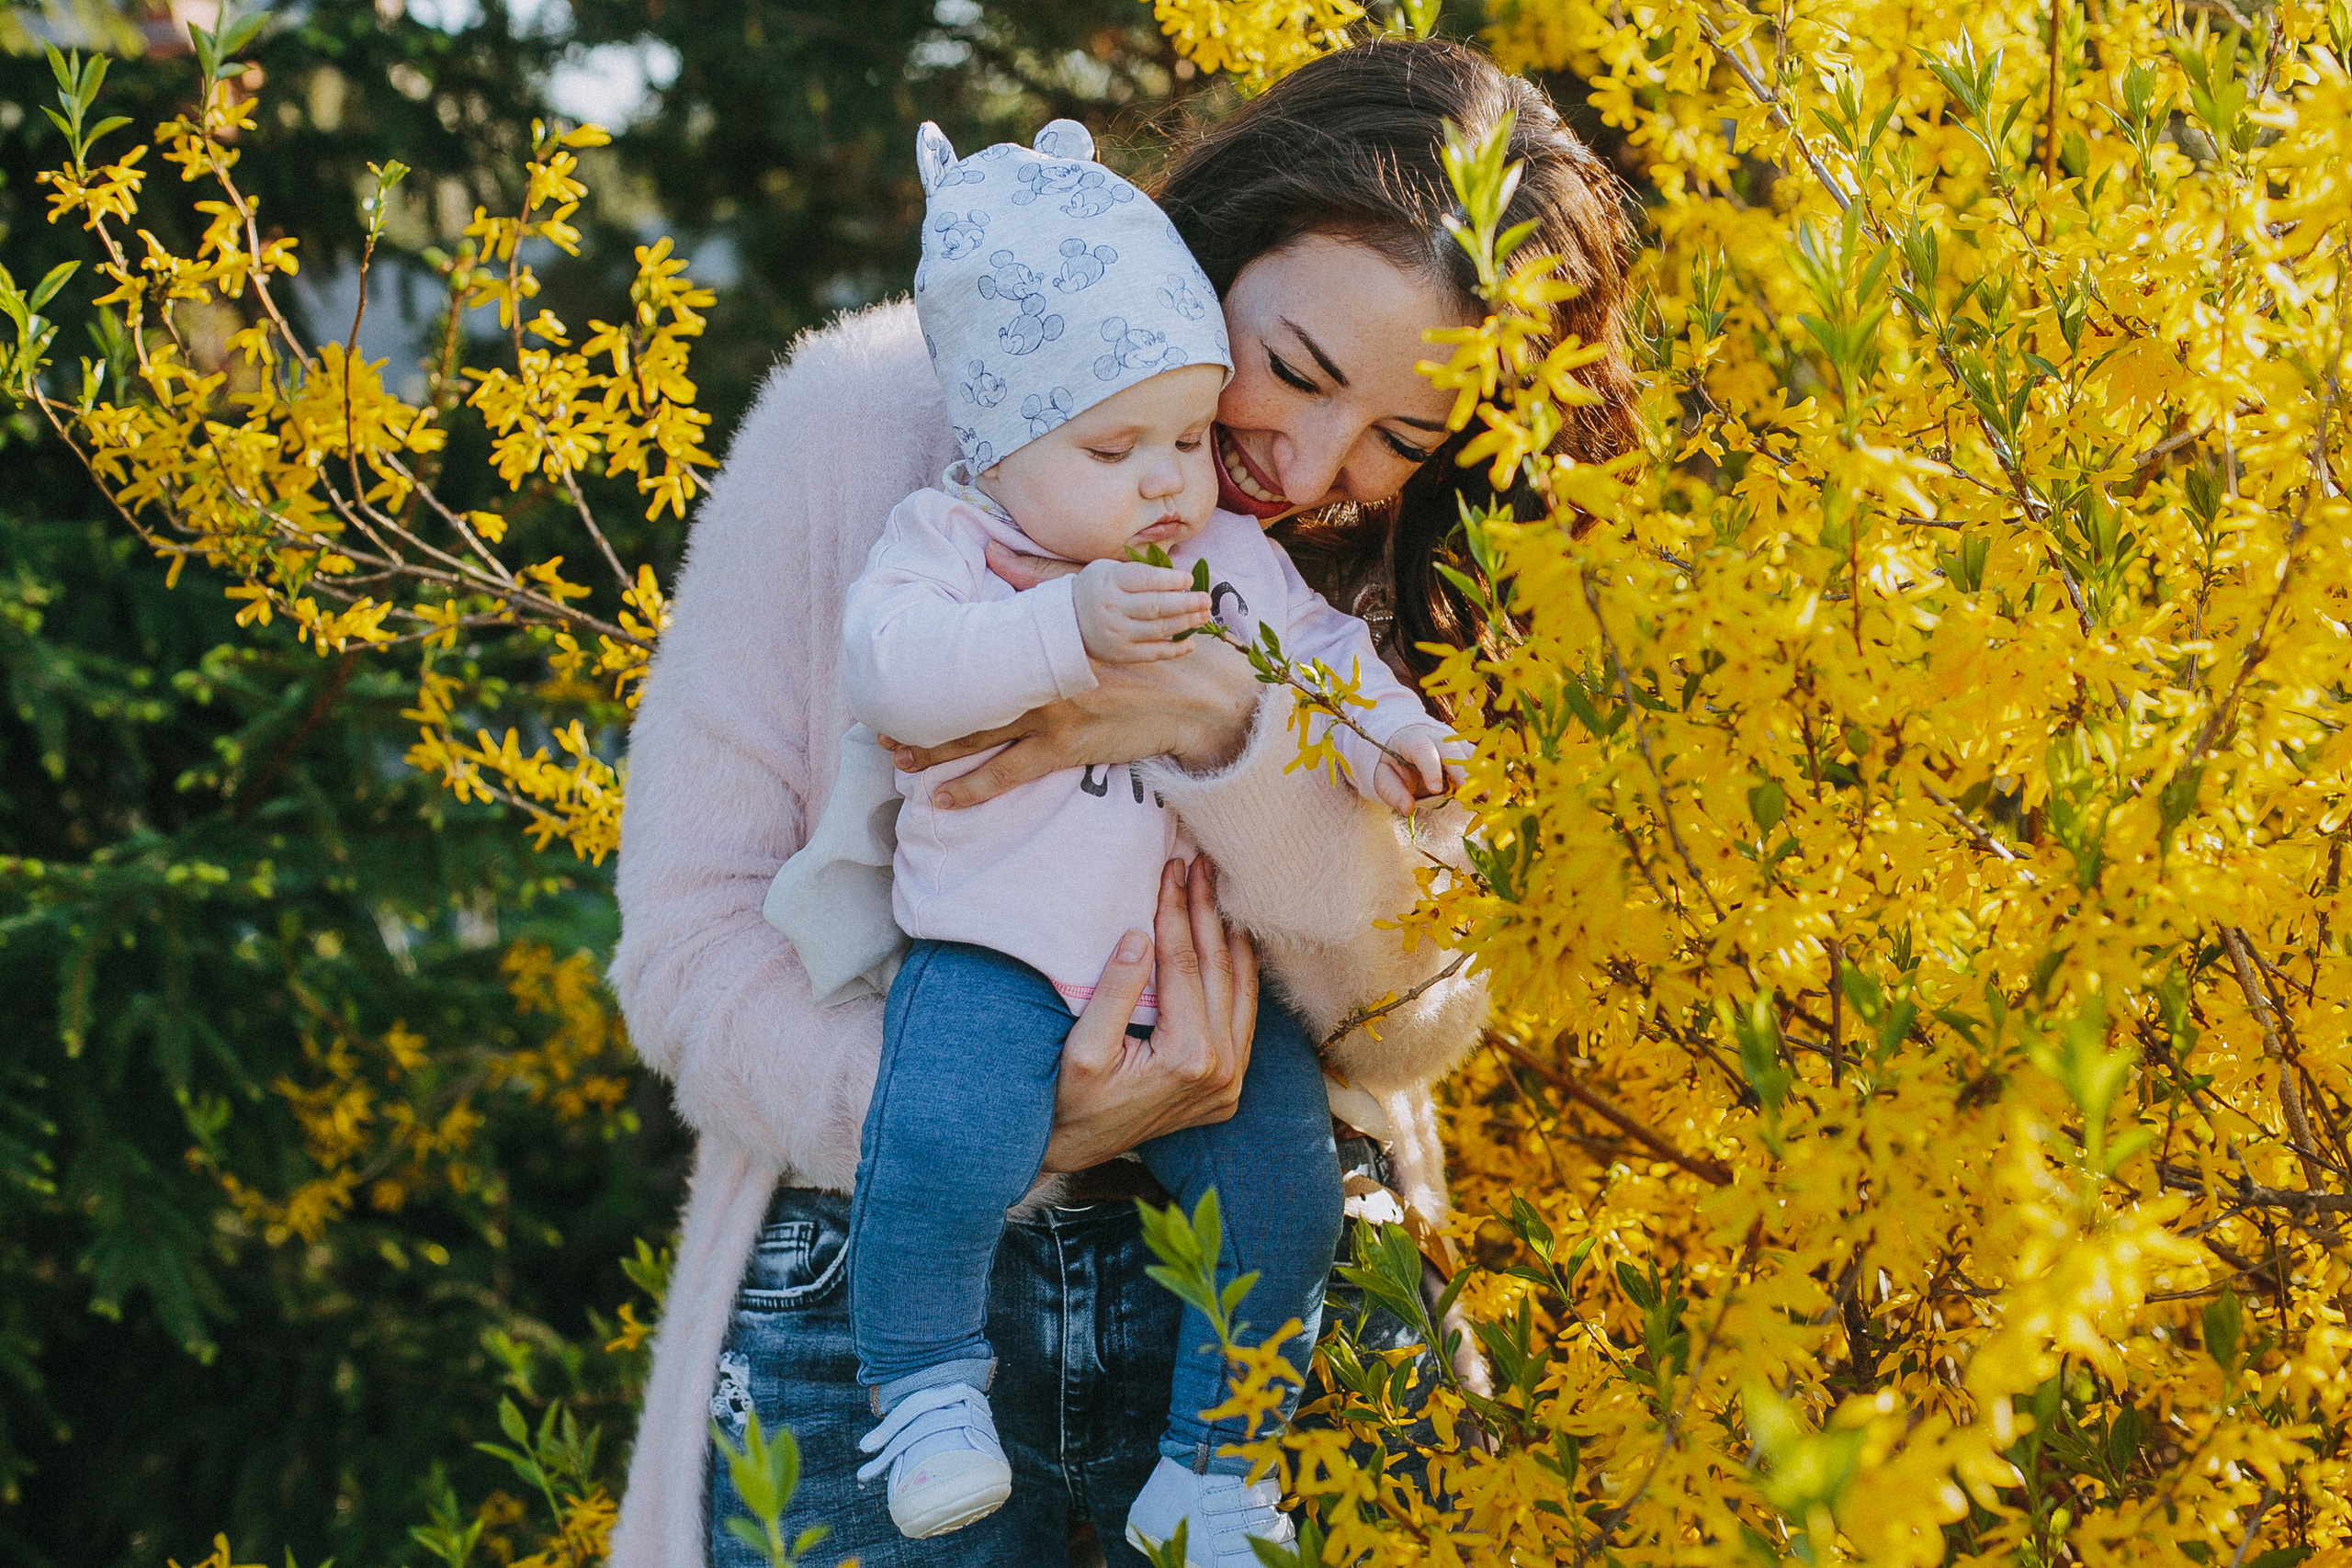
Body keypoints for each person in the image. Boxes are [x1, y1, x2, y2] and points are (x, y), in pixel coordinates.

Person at [606, 35, 1638, 1568]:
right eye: (1292, 370)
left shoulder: (1431, 562)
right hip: (873, 1286)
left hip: (1266, 1279)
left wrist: (1231, 734)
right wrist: (998, 1131)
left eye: (1404, 441)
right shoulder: (866, 422)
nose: (1310, 465)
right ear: (1215, 234)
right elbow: (686, 946)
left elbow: (1414, 1019)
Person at [810, 118, 1462, 1558]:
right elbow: (896, 665)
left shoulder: (1221, 552)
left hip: (1206, 991)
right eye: (1123, 446)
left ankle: (1217, 1469)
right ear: (1001, 441)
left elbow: (1323, 661)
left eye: (1182, 433)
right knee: (936, 1149)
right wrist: (1061, 635)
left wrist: (1392, 738)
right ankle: (921, 1395)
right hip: (1004, 958)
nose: (1188, 479)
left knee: (1288, 1205)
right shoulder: (956, 536)